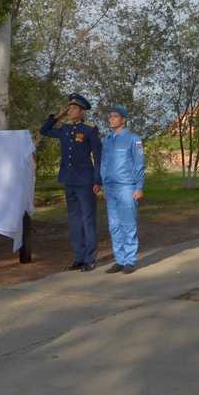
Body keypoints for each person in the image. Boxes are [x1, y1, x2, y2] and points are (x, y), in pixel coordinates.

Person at [41, 93, 102, 272]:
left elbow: (98, 157)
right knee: (74, 220)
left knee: (88, 219)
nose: (70, 110)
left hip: (85, 181)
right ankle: (78, 257)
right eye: (69, 107)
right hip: (69, 180)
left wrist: (97, 180)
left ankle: (90, 259)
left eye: (73, 108)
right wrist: (58, 116)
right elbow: (44, 130)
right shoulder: (66, 129)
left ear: (82, 111)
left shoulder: (90, 130)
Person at [100, 104, 145, 275]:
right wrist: (104, 185)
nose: (111, 119)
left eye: (115, 116)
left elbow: (139, 164)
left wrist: (139, 186)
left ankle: (130, 261)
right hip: (111, 188)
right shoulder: (107, 140)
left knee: (128, 224)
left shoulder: (133, 139)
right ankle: (119, 260)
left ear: (123, 120)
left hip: (127, 187)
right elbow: (104, 163)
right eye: (110, 116)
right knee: (114, 226)